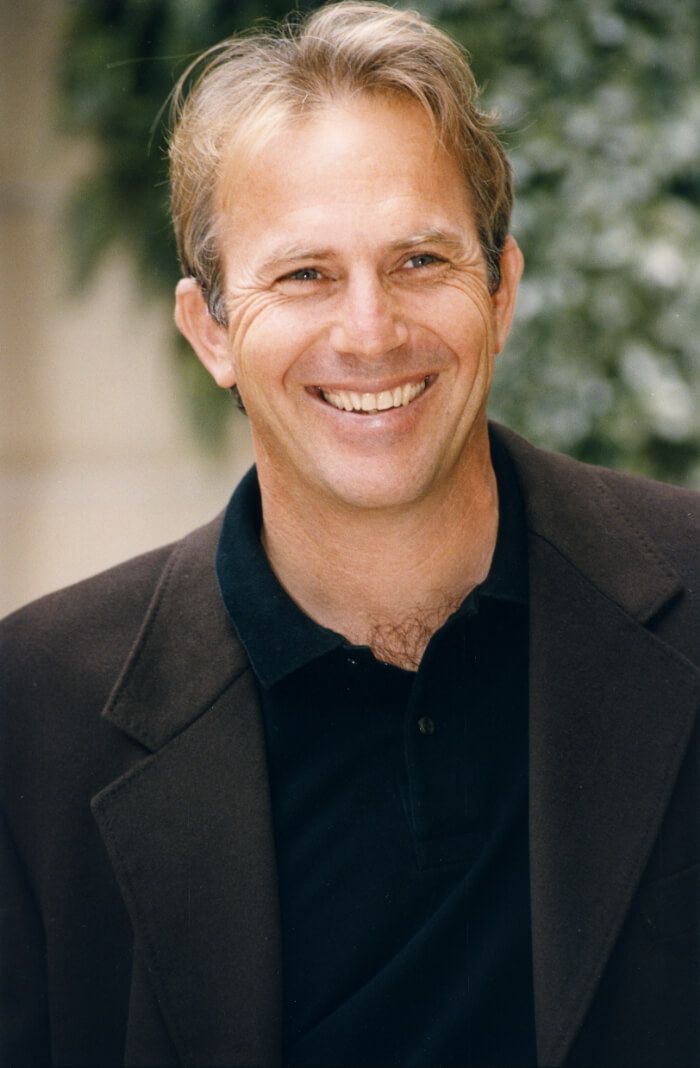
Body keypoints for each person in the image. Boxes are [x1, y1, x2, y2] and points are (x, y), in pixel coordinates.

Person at [1, 3, 698, 1066]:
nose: (370, 333)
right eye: (304, 274)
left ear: (501, 294)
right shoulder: (32, 718)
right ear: (211, 331)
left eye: (419, 259)